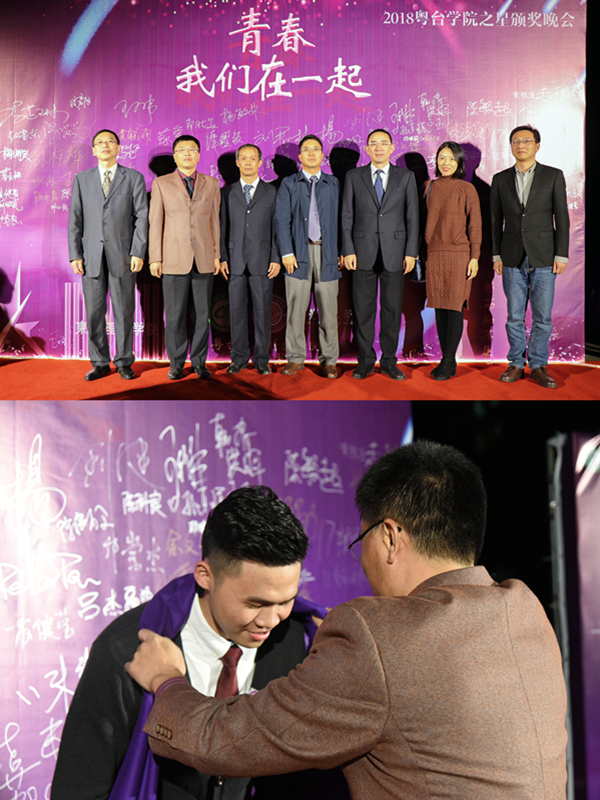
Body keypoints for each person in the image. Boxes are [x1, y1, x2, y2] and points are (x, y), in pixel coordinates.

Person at [126, 441, 568, 800]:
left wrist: (166, 680)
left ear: (390, 537)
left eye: (362, 541)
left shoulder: (374, 634)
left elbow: (225, 740)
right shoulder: (526, 611)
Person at [50, 486, 324, 800]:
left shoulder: (297, 642)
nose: (271, 620)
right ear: (205, 575)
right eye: (255, 604)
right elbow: (78, 790)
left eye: (286, 601)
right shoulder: (125, 651)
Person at [491, 125, 570, 389]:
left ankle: (537, 365)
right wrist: (496, 254)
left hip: (545, 256)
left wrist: (561, 254)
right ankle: (515, 363)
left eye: (526, 140)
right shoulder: (500, 179)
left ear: (537, 145)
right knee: (514, 316)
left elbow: (562, 217)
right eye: (516, 141)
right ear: (511, 146)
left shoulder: (553, 176)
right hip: (511, 256)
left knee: (542, 317)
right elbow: (495, 221)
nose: (521, 145)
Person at [68, 129, 148, 381]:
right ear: (93, 150)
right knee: (94, 313)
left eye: (110, 142)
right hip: (90, 256)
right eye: (100, 143)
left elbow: (142, 218)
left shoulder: (133, 177)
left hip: (123, 255)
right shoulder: (82, 179)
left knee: (123, 311)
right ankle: (100, 362)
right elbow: (75, 219)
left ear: (118, 148)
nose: (105, 145)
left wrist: (138, 251)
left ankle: (124, 361)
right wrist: (75, 254)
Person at [342, 129, 419, 381]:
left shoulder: (405, 177)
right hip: (361, 252)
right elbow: (347, 216)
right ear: (367, 149)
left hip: (395, 253)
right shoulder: (354, 176)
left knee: (391, 310)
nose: (378, 147)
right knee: (363, 310)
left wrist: (411, 252)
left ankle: (388, 361)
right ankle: (365, 360)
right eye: (373, 143)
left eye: (383, 143)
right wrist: (348, 249)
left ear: (391, 148)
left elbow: (412, 217)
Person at [149, 135, 220, 381]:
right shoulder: (161, 183)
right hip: (173, 259)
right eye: (182, 150)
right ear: (175, 156)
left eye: (192, 149)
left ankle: (199, 362)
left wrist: (217, 255)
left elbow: (215, 222)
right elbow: (155, 223)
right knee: (175, 316)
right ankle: (177, 363)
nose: (187, 153)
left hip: (204, 258)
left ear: (199, 154)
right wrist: (155, 257)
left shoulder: (212, 183)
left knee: (202, 315)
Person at [275, 135, 342, 379]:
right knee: (296, 309)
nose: (311, 153)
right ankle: (295, 358)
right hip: (297, 254)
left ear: (323, 155)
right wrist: (286, 252)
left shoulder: (334, 183)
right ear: (299, 156)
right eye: (306, 149)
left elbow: (344, 219)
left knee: (328, 311)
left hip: (328, 253)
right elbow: (281, 219)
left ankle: (329, 360)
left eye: (316, 149)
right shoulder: (288, 183)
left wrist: (342, 251)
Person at [422, 141, 482, 381]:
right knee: (440, 306)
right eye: (442, 158)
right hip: (434, 254)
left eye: (451, 159)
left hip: (459, 254)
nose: (446, 163)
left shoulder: (467, 189)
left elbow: (475, 225)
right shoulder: (428, 186)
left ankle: (449, 360)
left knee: (454, 307)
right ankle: (444, 358)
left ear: (459, 162)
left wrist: (475, 257)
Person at [219, 144, 280, 375]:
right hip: (234, 260)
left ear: (260, 162)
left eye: (252, 158)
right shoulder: (226, 192)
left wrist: (275, 257)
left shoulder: (272, 191)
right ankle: (239, 358)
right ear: (237, 162)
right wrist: (222, 257)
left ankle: (262, 358)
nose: (247, 162)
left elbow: (278, 227)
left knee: (263, 311)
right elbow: (222, 226)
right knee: (236, 311)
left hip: (263, 260)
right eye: (243, 158)